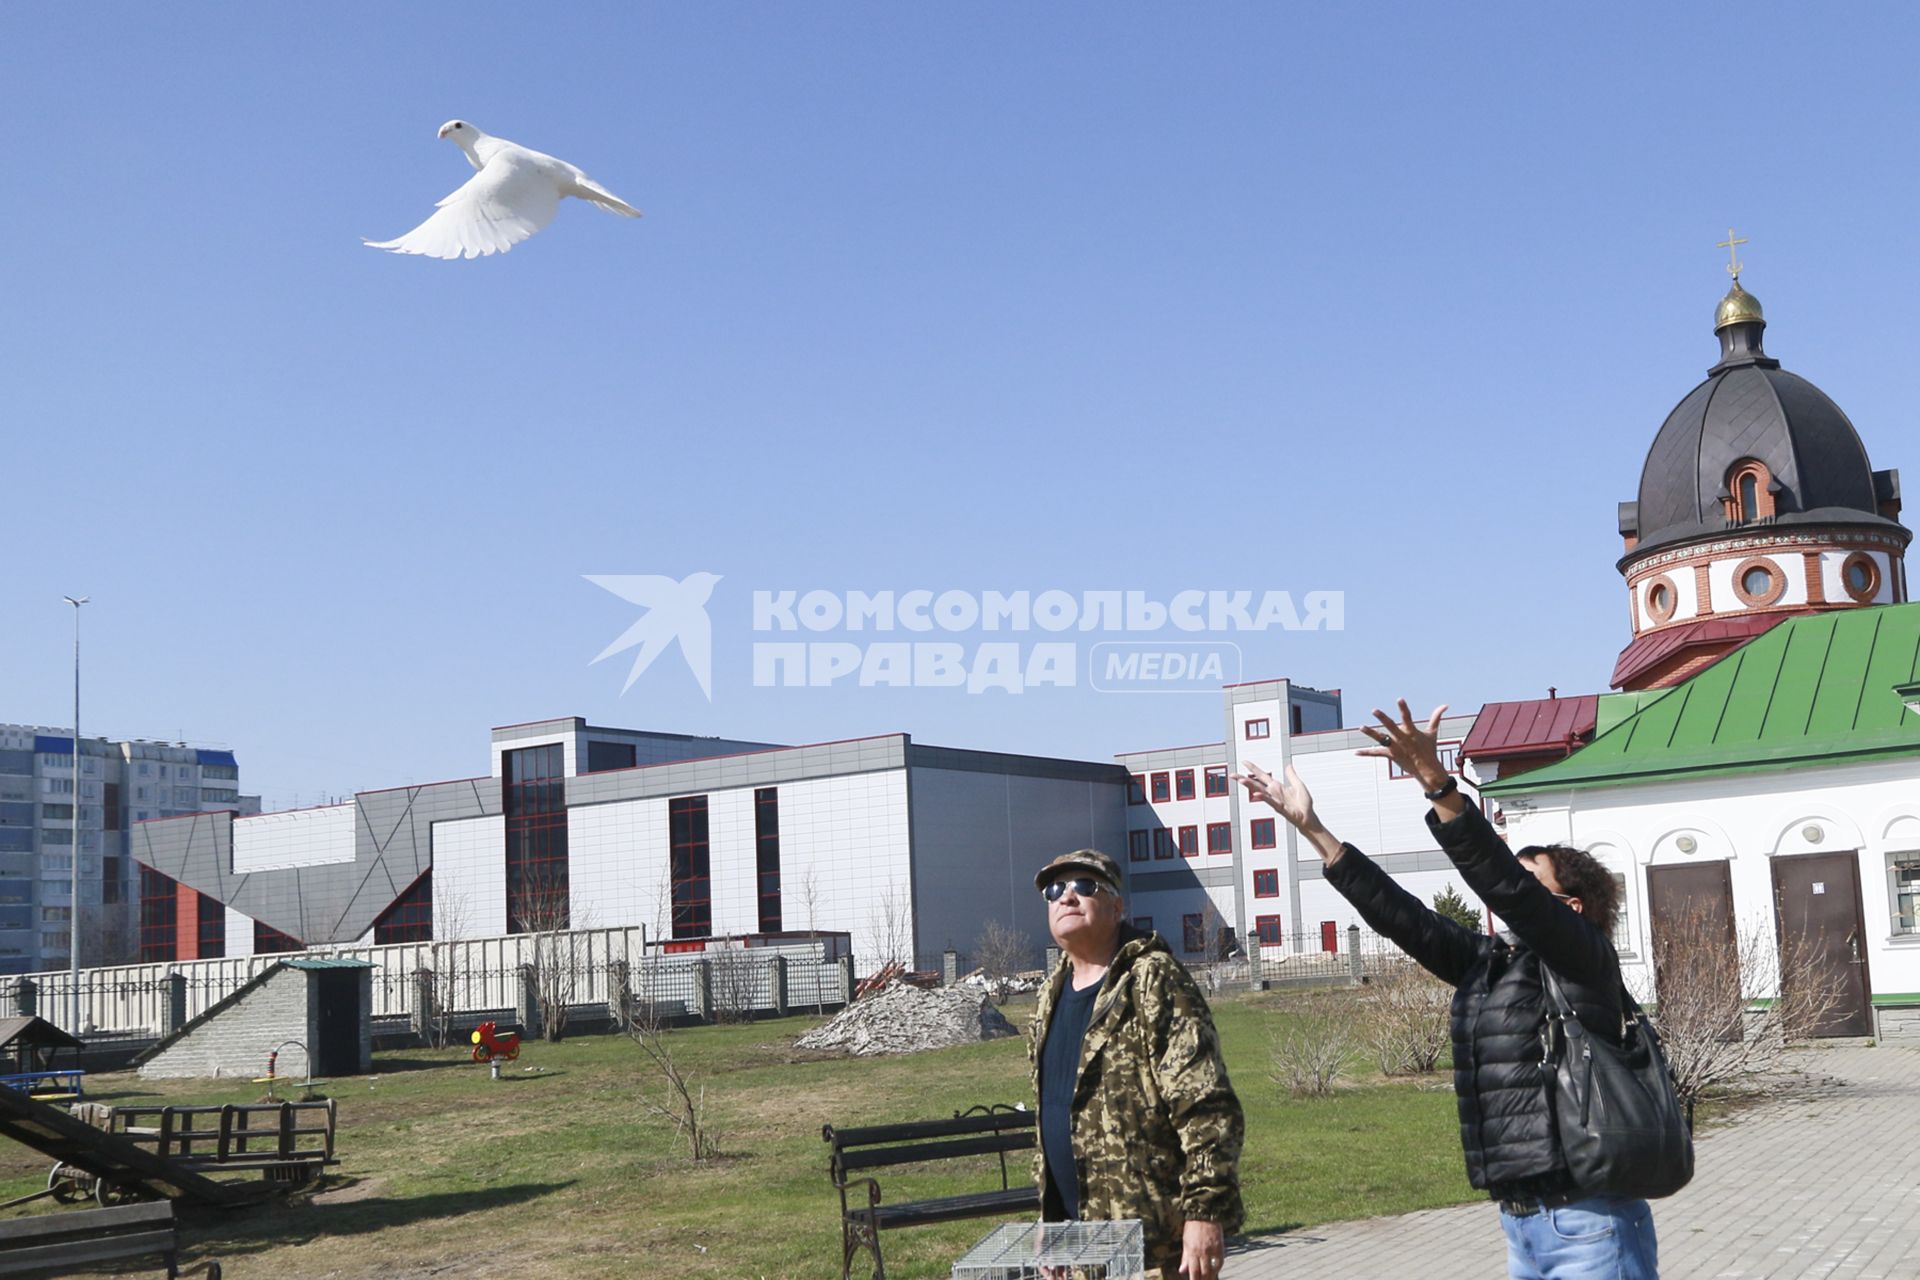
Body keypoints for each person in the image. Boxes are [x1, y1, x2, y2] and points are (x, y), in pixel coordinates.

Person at [1237, 701, 1660, 1280]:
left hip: (1590, 1219)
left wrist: (1437, 784)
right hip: (1524, 1224)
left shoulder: (1586, 962)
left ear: (1571, 907)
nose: (1514, 901)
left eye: (1533, 888)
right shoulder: (1494, 966)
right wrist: (1312, 829)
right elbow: (1402, 918)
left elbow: (1505, 886)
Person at [1029, 848, 1245, 1280]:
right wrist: (1049, 1220)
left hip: (1154, 1250)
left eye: (1084, 886)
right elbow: (1054, 1114)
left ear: (1117, 905)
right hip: (1081, 1248)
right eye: (1055, 889)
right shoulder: (1049, 996)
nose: (1066, 897)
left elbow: (1206, 1105)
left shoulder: (1151, 978)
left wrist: (1204, 1212)